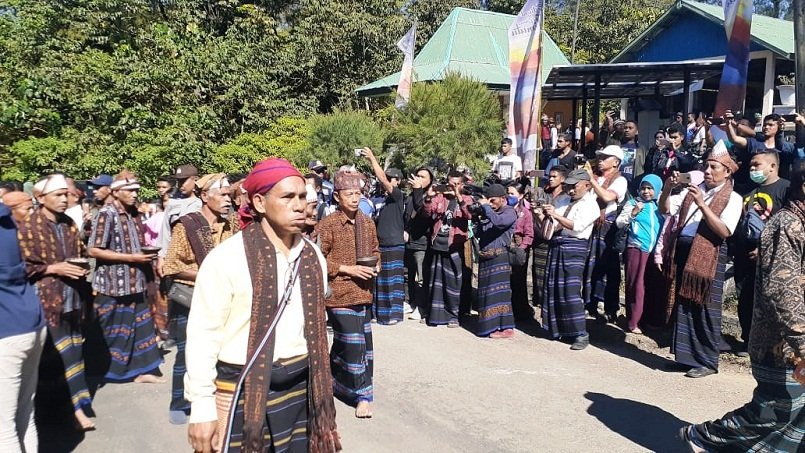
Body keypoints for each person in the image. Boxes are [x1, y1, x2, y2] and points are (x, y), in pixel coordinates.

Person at [184, 159, 341, 453]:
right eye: (287, 197)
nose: (299, 205)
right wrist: (201, 407)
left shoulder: (313, 257)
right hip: (242, 388)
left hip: (300, 386)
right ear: (258, 202)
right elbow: (203, 335)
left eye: (303, 197)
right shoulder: (226, 259)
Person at [680, 162, 805, 452]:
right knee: (773, 411)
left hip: (794, 341)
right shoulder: (787, 225)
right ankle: (703, 438)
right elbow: (782, 291)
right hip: (781, 344)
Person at [659, 141, 743, 378]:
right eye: (706, 166)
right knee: (684, 304)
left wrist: (702, 205)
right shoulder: (693, 190)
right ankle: (686, 358)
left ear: (727, 172)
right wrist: (667, 188)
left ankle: (707, 360)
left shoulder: (732, 198)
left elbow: (724, 231)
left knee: (705, 308)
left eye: (714, 167)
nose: (707, 171)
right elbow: (665, 209)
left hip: (708, 256)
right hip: (685, 252)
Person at [18, 174, 95, 430]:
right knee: (53, 359)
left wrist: (79, 267)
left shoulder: (68, 223)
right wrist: (54, 268)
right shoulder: (28, 226)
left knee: (74, 355)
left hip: (72, 299)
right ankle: (56, 413)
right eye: (58, 195)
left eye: (66, 194)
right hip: (45, 302)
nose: (64, 199)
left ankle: (77, 407)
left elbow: (80, 253)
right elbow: (22, 267)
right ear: (40, 198)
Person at [163, 173, 237, 425]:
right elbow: (171, 266)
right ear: (205, 196)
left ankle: (213, 401)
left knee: (219, 352)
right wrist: (209, 274)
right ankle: (178, 402)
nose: (228, 200)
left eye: (229, 195)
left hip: (223, 297)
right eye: (223, 195)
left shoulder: (231, 225)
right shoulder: (187, 225)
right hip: (191, 297)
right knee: (187, 352)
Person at [87, 172, 164, 383]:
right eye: (129, 190)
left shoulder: (133, 214)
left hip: (135, 281)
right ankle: (104, 371)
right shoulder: (107, 214)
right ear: (115, 192)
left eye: (136, 190)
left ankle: (142, 371)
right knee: (110, 330)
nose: (134, 194)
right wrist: (131, 257)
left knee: (139, 328)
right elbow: (93, 250)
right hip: (112, 284)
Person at [316, 170, 380, 418]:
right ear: (337, 196)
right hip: (339, 293)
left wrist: (376, 265)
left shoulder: (367, 222)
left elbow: (376, 250)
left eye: (358, 193)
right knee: (354, 344)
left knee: (359, 346)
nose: (355, 198)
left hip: (364, 293)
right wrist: (346, 269)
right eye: (349, 194)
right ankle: (363, 396)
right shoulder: (328, 224)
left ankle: (335, 382)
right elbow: (316, 258)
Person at [732, 151, 790, 355]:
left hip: (772, 256)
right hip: (744, 255)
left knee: (770, 301)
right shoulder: (747, 189)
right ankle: (748, 340)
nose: (753, 169)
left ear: (773, 167)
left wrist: (765, 248)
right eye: (751, 166)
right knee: (745, 297)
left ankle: (772, 345)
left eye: (757, 165)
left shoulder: (785, 188)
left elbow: (786, 225)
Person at [0, 201, 46, 452]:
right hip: (31, 322)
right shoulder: (8, 222)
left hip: (6, 330)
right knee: (24, 413)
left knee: (3, 426)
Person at [539, 169, 599, 350]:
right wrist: (542, 214)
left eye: (575, 187)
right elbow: (555, 227)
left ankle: (581, 334)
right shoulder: (564, 200)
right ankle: (560, 329)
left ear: (587, 185)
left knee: (571, 291)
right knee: (554, 288)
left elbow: (576, 226)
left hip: (574, 248)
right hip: (558, 244)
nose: (571, 190)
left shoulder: (591, 206)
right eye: (569, 187)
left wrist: (556, 215)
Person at [421, 172, 473, 327]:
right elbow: (427, 213)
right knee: (436, 283)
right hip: (438, 244)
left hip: (454, 246)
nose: (451, 186)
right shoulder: (440, 197)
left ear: (462, 184)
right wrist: (429, 197)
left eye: (455, 184)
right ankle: (436, 315)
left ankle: (453, 316)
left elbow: (469, 214)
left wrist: (458, 195)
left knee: (453, 283)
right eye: (449, 183)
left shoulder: (466, 199)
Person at [360, 147, 406, 325]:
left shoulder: (398, 196)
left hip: (394, 244)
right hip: (380, 244)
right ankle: (379, 314)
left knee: (392, 282)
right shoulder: (378, 199)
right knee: (379, 281)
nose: (387, 181)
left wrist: (372, 158)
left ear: (399, 181)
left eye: (391, 178)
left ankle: (393, 315)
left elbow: (381, 179)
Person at [615, 174, 664, 334]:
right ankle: (633, 322)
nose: (646, 191)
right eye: (643, 188)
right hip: (637, 248)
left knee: (651, 286)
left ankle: (648, 320)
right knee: (636, 285)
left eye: (650, 188)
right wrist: (634, 213)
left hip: (654, 252)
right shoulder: (633, 203)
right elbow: (620, 222)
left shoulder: (660, 206)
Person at [585, 145, 628, 323]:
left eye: (605, 157)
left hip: (607, 228)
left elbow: (607, 197)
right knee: (590, 266)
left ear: (616, 162)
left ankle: (610, 307)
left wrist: (591, 180)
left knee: (609, 269)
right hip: (591, 224)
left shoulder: (620, 180)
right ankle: (590, 303)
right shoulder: (595, 176)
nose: (600, 160)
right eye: (600, 157)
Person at [475, 183, 517, 338]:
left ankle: (506, 327)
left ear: (503, 199)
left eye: (493, 201)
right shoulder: (489, 212)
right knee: (486, 294)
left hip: (499, 257)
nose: (490, 204)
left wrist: (486, 208)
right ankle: (488, 325)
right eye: (488, 201)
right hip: (486, 257)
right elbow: (479, 232)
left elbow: (499, 223)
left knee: (500, 295)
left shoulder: (509, 212)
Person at [531, 166, 570, 309]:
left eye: (554, 176)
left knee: (552, 273)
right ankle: (539, 301)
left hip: (556, 237)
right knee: (538, 271)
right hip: (540, 237)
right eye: (550, 176)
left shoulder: (566, 198)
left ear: (563, 179)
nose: (551, 179)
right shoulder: (543, 193)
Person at [403, 167, 434, 321]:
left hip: (422, 243)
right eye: (418, 176)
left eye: (423, 177)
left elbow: (420, 209)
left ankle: (422, 307)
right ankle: (409, 301)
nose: (419, 179)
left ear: (430, 181)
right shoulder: (410, 196)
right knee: (407, 274)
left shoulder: (429, 197)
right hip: (409, 241)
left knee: (421, 277)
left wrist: (418, 191)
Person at [158, 164, 201, 270]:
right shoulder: (172, 203)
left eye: (184, 181)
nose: (181, 185)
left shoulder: (202, 203)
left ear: (195, 179)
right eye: (179, 181)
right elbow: (165, 232)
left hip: (195, 258)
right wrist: (161, 258)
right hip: (173, 257)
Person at [507, 179, 534, 322]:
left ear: (521, 195)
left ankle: (520, 312)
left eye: (512, 193)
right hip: (505, 246)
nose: (509, 196)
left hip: (518, 248)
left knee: (518, 282)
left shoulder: (525, 213)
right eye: (508, 193)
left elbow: (529, 234)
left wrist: (521, 249)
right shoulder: (504, 208)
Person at [620, 120, 647, 185]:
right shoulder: (618, 146)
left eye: (630, 128)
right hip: (619, 181)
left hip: (635, 182)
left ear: (636, 132)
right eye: (625, 128)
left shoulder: (642, 149)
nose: (627, 130)